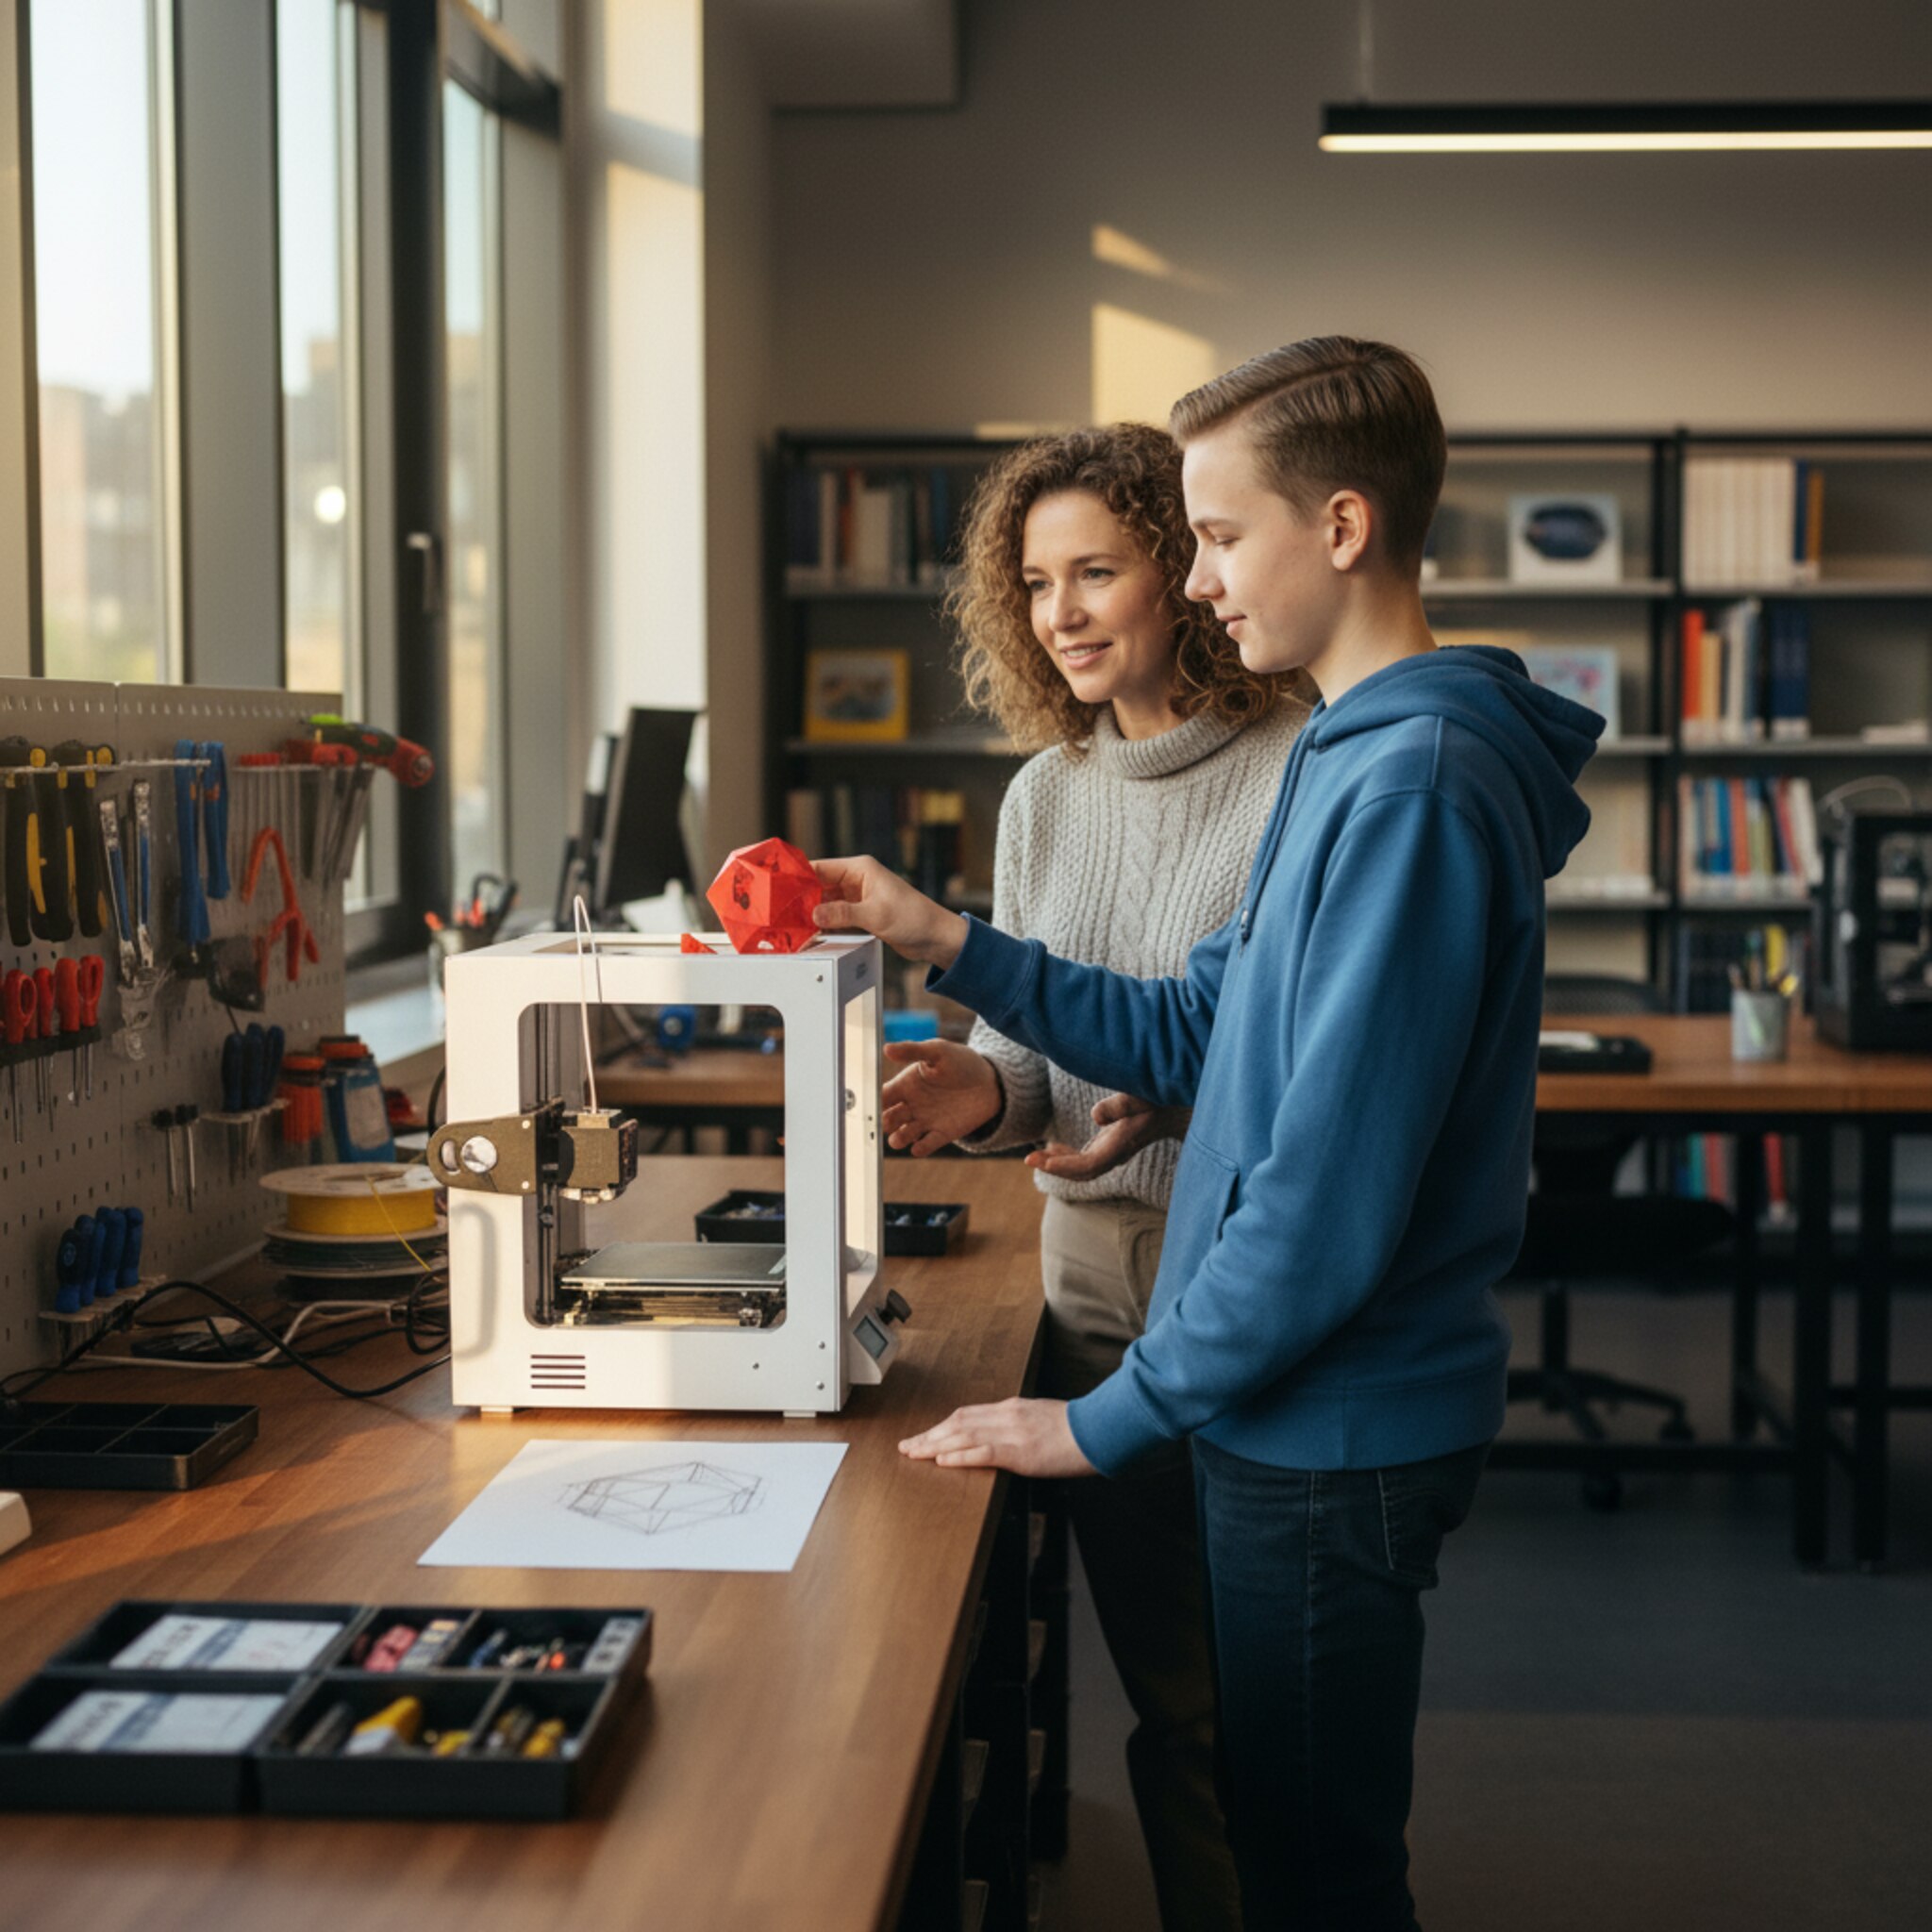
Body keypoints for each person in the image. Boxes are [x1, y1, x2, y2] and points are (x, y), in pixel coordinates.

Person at [812, 338, 1602, 1928]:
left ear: (1344, 529)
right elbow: (1193, 1027)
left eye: (1222, 537)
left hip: (1335, 1419)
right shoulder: (1346, 751)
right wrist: (953, 943)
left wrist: (1101, 1421)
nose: (1209, 579)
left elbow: (1322, 1204)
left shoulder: (1415, 785)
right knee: (1267, 1811)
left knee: (1313, 1869)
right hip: (1283, 1405)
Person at [883, 423, 1307, 1931]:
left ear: (1187, 575)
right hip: (1086, 1280)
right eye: (1038, 579)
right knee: (1178, 1702)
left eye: (1098, 571)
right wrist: (976, 1087)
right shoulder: (1045, 796)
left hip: (1242, 1279)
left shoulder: (1296, 772)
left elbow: (1260, 1056)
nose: (1062, 611)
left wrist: (1125, 1085)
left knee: (1258, 1715)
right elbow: (1034, 1061)